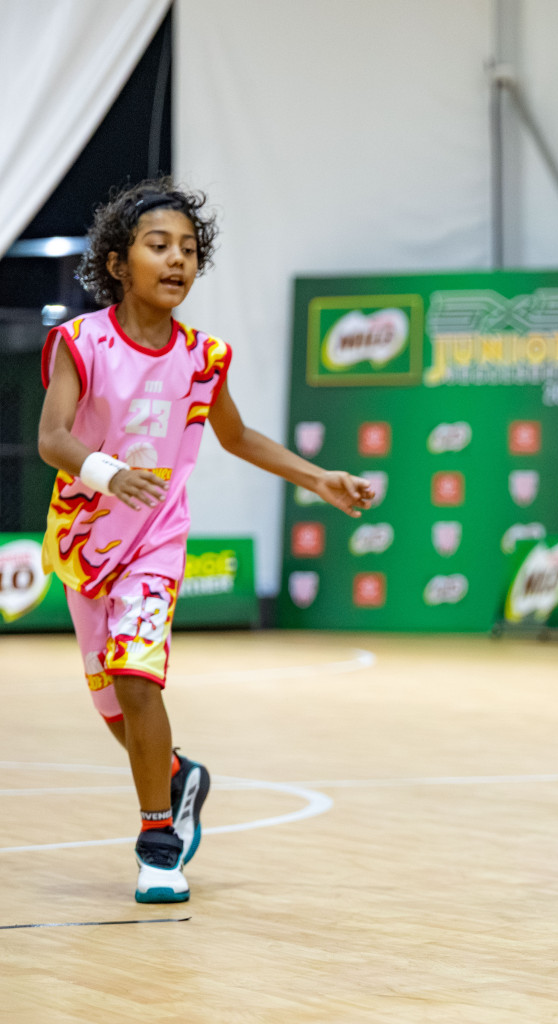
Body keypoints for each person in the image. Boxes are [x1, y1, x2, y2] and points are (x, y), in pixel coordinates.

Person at [36, 178, 373, 903]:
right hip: (85, 542)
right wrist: (109, 473)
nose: (177, 260)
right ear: (119, 263)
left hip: (154, 542)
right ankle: (179, 777)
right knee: (114, 710)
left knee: (138, 678)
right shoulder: (81, 342)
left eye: (189, 249)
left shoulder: (203, 356)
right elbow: (53, 439)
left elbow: (237, 435)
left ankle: (158, 843)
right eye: (159, 246)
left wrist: (319, 478)